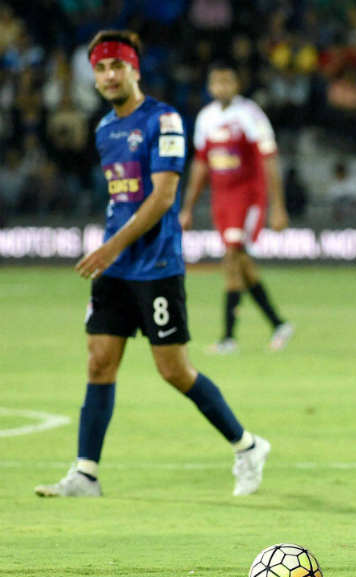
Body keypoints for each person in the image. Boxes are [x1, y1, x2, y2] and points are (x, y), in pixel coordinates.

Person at [35, 31, 270, 498]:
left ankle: (247, 446)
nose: (109, 76)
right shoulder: (104, 129)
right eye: (101, 69)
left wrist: (109, 247)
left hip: (156, 264)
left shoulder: (164, 120)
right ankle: (85, 474)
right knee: (99, 362)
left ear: (134, 70)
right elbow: (120, 198)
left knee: (174, 370)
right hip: (116, 268)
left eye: (117, 66)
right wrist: (111, 253)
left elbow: (163, 198)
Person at [179, 60, 293, 354]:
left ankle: (228, 338)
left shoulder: (250, 114)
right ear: (209, 86)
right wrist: (187, 207)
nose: (222, 87)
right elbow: (201, 164)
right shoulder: (205, 118)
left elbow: (269, 159)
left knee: (231, 259)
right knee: (241, 264)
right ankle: (278, 324)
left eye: (227, 81)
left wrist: (278, 206)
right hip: (222, 199)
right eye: (216, 82)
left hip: (248, 196)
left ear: (236, 85)